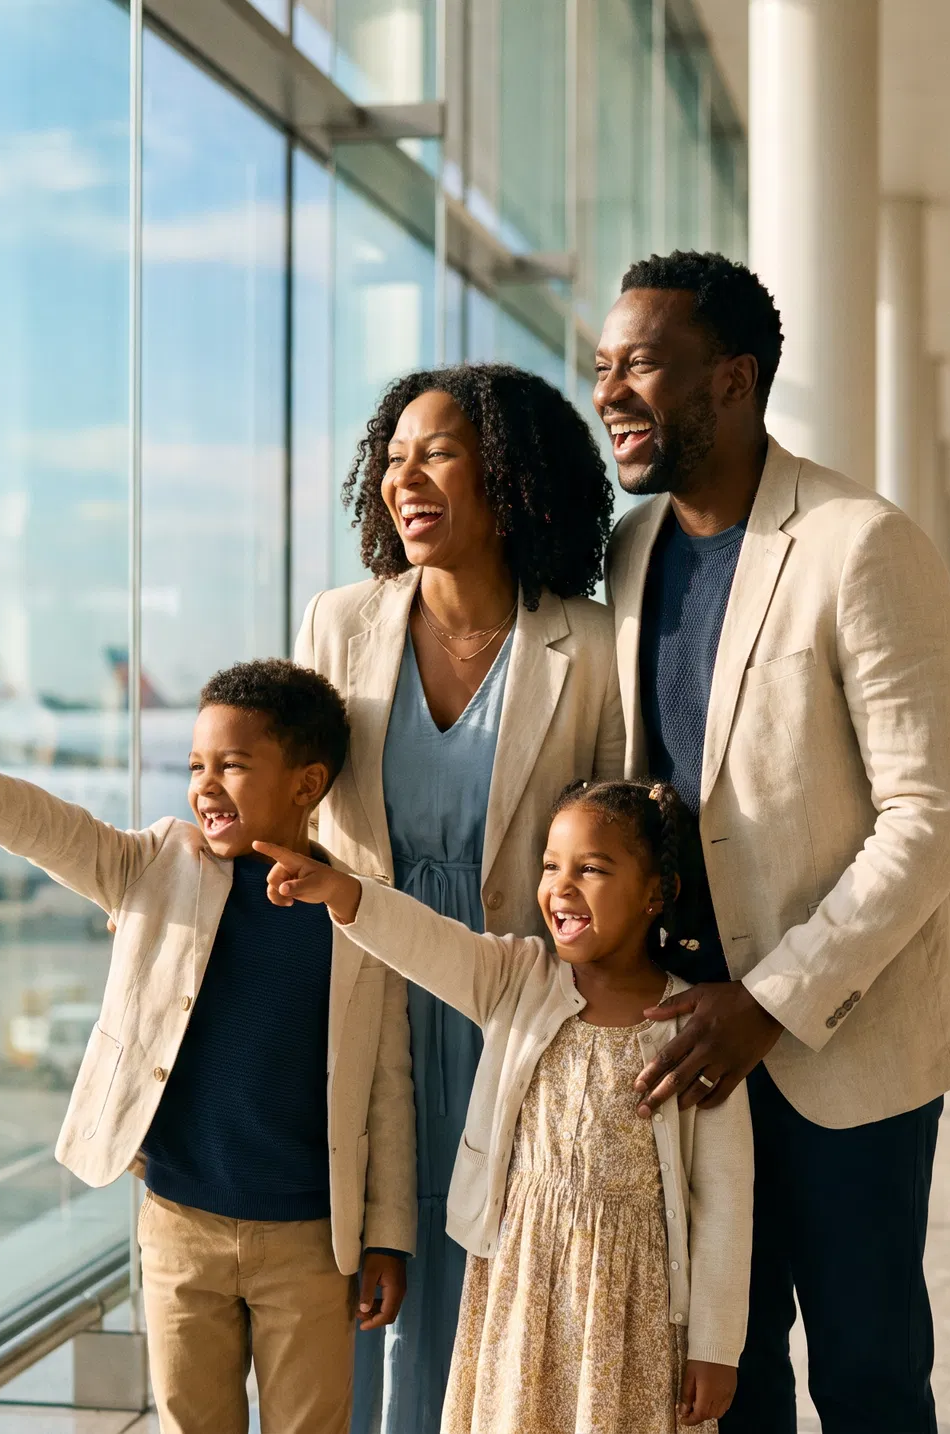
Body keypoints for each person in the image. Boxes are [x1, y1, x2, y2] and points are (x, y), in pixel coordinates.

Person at [595, 250, 950, 1432]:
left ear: (732, 379)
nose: (609, 391)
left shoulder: (860, 542)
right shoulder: (626, 556)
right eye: (601, 365)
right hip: (687, 1045)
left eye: (641, 364)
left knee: (867, 1378)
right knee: (722, 1377)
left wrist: (771, 999)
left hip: (844, 1039)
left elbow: (935, 814)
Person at [0, 661, 415, 1434]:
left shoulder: (357, 912)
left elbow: (387, 1086)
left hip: (310, 1239)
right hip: (179, 1225)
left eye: (233, 766)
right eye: (197, 766)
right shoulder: (158, 866)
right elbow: (51, 828)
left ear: (307, 784)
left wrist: (388, 1237)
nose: (206, 786)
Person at [294, 362, 625, 1433]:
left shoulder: (591, 645)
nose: (406, 478)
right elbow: (292, 818)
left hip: (518, 1021)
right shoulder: (340, 623)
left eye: (437, 454)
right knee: (363, 1303)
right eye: (393, 459)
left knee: (508, 1317)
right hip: (372, 1009)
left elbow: (620, 853)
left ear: (510, 476)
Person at [257, 779, 752, 1432]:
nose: (562, 886)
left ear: (656, 893)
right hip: (521, 1287)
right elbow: (428, 942)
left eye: (592, 869)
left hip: (635, 1312)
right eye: (550, 866)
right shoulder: (519, 980)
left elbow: (725, 1202)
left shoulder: (694, 1028)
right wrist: (341, 893)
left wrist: (716, 1349)